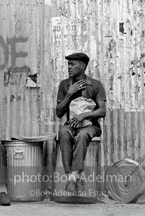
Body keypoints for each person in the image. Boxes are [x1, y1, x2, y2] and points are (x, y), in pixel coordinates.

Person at [56, 53, 106, 194]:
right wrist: (69, 93)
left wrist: (84, 115)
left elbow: (102, 111)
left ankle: (72, 178)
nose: (69, 67)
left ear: (83, 66)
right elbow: (59, 113)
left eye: (72, 64)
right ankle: (72, 177)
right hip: (71, 124)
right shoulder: (64, 85)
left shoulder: (95, 85)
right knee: (64, 132)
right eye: (68, 65)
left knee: (82, 136)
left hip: (91, 125)